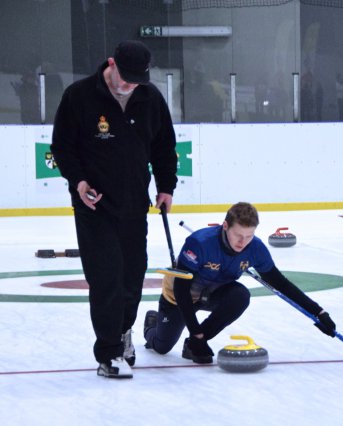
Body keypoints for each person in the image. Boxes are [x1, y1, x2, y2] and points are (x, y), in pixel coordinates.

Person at [50, 40, 178, 379]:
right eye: (125, 78)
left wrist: (166, 186)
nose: (129, 86)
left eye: (137, 80)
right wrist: (78, 182)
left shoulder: (150, 98)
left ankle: (123, 332)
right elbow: (62, 147)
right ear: (111, 64)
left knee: (133, 277)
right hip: (94, 205)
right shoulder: (79, 97)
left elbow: (165, 146)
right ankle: (108, 353)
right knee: (106, 277)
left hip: (136, 204)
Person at [143, 202, 337, 363]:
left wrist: (318, 312)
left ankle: (194, 343)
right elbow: (181, 289)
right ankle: (153, 323)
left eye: (249, 236)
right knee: (161, 348)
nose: (242, 243)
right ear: (225, 226)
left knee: (240, 296)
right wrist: (196, 333)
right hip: (179, 297)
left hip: (212, 294)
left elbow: (281, 284)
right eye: (238, 235)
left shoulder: (256, 249)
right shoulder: (200, 243)